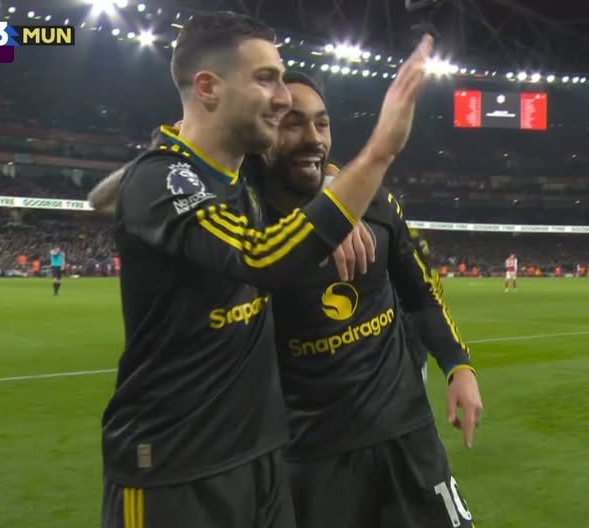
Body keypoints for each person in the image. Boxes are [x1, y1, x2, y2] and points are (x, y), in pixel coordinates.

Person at [100, 10, 434, 528]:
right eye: (266, 79)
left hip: (263, 464)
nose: (282, 97)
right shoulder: (162, 180)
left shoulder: (246, 177)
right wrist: (379, 151)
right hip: (172, 469)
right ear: (208, 88)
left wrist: (331, 182)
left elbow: (302, 171)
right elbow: (263, 258)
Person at [258, 71, 481, 528]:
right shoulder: (245, 222)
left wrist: (458, 366)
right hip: (313, 453)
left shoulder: (375, 204)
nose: (313, 137)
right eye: (293, 123)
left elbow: (421, 295)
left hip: (407, 435)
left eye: (322, 123)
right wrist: (321, 217)